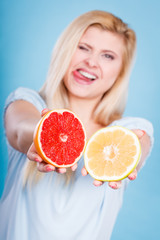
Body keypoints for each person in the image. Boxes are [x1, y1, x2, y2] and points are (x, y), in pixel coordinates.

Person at [0, 10, 153, 240]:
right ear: (65, 50)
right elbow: (20, 129)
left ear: (120, 72)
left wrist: (129, 158)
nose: (91, 62)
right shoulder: (27, 101)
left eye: (108, 56)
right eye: (83, 47)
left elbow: (138, 149)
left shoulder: (128, 128)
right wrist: (44, 136)